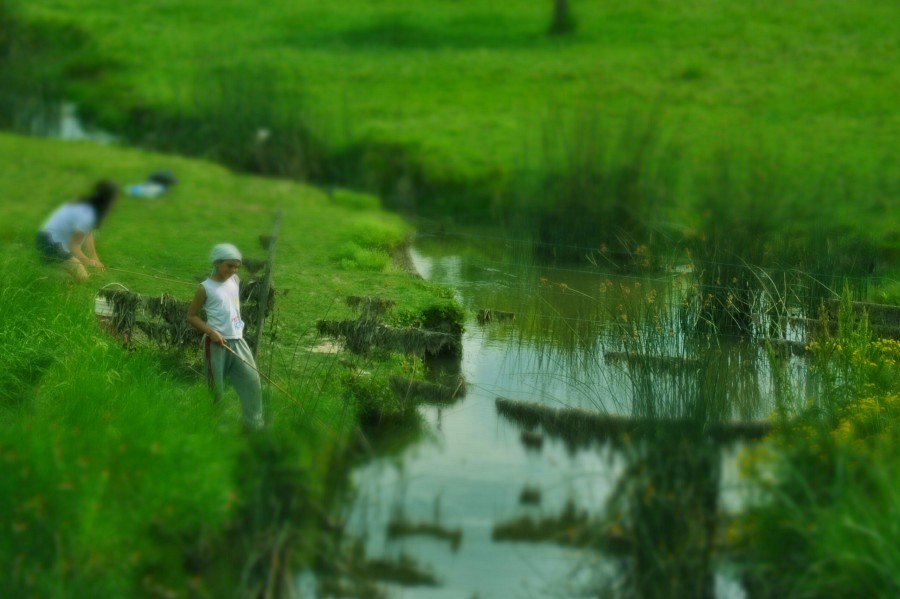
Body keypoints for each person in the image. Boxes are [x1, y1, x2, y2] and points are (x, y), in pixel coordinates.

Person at [187, 243, 264, 430]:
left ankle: (253, 424)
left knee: (252, 381)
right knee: (216, 389)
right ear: (217, 262)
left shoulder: (235, 281)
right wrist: (211, 332)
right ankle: (216, 426)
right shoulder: (205, 288)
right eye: (230, 265)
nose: (234, 270)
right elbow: (191, 316)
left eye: (237, 266)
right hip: (215, 344)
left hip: (238, 340)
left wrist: (237, 330)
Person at [36, 180, 119, 281]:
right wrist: (89, 262)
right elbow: (73, 246)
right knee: (83, 278)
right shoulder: (87, 215)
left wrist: (94, 257)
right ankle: (43, 271)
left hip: (47, 237)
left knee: (74, 273)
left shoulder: (86, 204)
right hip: (50, 242)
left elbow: (88, 232)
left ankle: (51, 266)